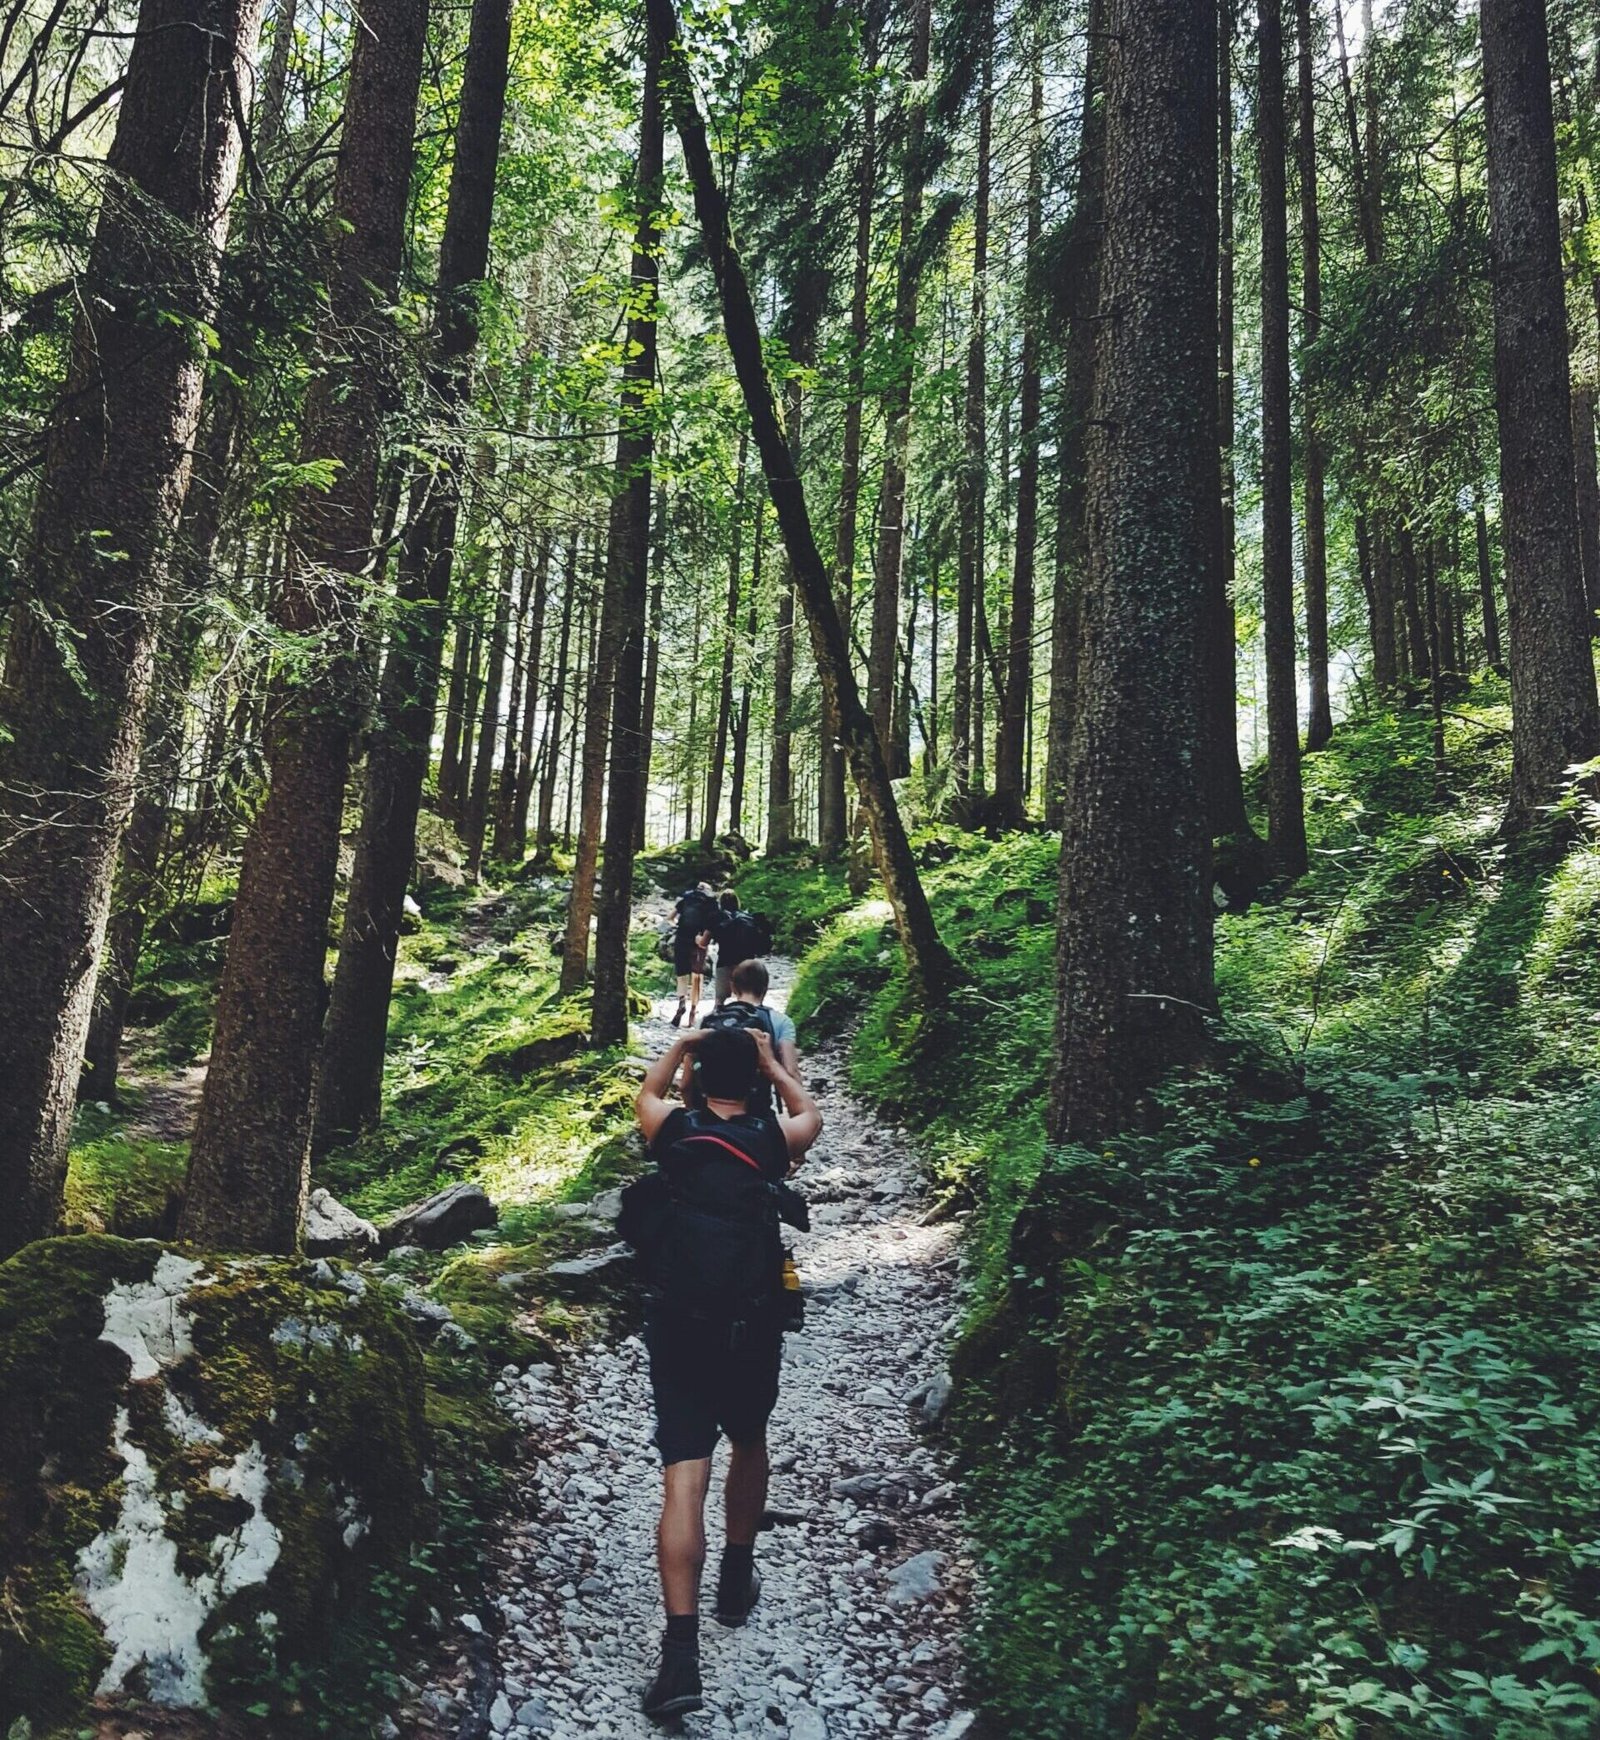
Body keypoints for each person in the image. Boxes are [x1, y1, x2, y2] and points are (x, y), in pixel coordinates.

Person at [632, 1024, 822, 1721]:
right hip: (752, 1324)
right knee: (749, 1439)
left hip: (680, 1326)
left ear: (698, 1077)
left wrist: (682, 1046)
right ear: (754, 1081)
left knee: (684, 1478)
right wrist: (776, 1065)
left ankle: (681, 1657)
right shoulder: (774, 1143)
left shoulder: (673, 1133)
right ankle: (735, 1579)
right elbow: (812, 1115)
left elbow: (645, 1091)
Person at [680, 958, 799, 1118]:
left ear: (733, 987)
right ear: (765, 988)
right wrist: (796, 1117)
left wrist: (693, 1114)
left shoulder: (706, 1021)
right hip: (757, 1114)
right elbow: (791, 1072)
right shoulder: (780, 1022)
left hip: (709, 1112)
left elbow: (686, 1083)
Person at [668, 882, 718, 1028]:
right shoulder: (710, 902)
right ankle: (693, 1011)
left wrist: (678, 927)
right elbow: (714, 924)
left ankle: (681, 1002)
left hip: (682, 938)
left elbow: (670, 918)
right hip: (699, 940)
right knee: (697, 976)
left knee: (681, 975)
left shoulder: (686, 899)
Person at [708, 891, 770, 1007]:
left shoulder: (717, 918)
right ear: (737, 903)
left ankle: (718, 1017)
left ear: (721, 904)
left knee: (719, 1000)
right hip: (746, 963)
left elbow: (704, 942)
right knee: (747, 995)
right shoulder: (748, 918)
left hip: (725, 962)